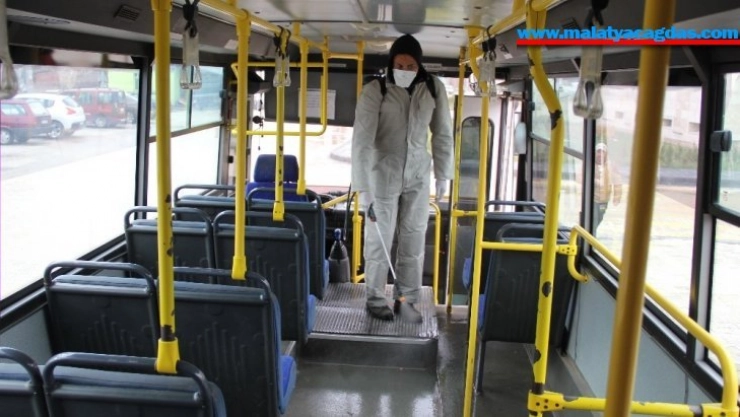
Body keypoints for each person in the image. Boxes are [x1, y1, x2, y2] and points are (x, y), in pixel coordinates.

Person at [351, 34, 454, 321]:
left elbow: (443, 133)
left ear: (419, 66)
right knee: (379, 240)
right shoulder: (376, 90)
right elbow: (362, 140)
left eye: (410, 66)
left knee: (414, 238)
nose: (405, 70)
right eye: (400, 65)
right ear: (391, 63)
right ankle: (375, 298)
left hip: (418, 175)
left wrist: (444, 175)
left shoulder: (433, 88)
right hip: (382, 174)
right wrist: (363, 187)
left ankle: (406, 299)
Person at [593, 142, 622, 230]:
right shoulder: (590, 164)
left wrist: (617, 197)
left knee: (600, 217)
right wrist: (595, 181)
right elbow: (581, 178)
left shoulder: (611, 166)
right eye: (598, 152)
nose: (600, 155)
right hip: (593, 199)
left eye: (602, 152)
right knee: (593, 220)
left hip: (604, 200)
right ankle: (591, 235)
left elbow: (617, 183)